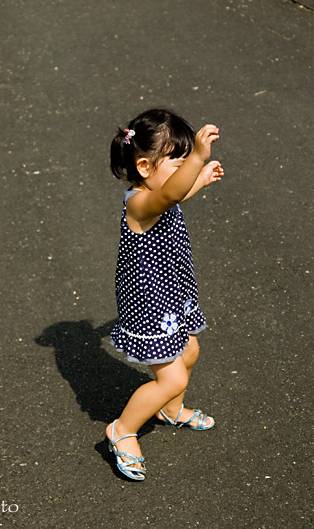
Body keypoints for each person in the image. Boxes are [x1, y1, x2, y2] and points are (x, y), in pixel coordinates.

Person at [106, 108, 224, 481]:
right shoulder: (139, 204)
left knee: (189, 350)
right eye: (180, 164)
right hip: (149, 301)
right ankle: (121, 430)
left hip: (171, 293)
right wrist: (200, 159)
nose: (185, 171)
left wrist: (199, 181)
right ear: (144, 167)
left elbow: (175, 192)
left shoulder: (158, 194)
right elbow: (171, 194)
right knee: (172, 377)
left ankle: (171, 410)